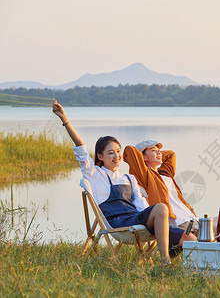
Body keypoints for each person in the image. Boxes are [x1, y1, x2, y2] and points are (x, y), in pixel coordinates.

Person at [52, 101, 196, 266]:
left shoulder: (129, 178)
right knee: (164, 211)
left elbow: (141, 205)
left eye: (118, 152)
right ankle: (166, 260)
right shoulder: (94, 173)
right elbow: (81, 147)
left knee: (183, 231)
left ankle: (180, 254)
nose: (116, 156)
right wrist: (65, 119)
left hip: (136, 217)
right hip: (118, 222)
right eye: (110, 153)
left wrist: (155, 218)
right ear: (100, 156)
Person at [123, 141, 198, 231]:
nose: (159, 153)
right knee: (215, 229)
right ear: (142, 157)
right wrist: (146, 156)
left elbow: (171, 154)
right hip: (178, 223)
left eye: (159, 151)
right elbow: (129, 150)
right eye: (153, 150)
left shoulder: (165, 173)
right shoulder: (145, 175)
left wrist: (154, 154)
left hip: (190, 217)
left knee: (219, 223)